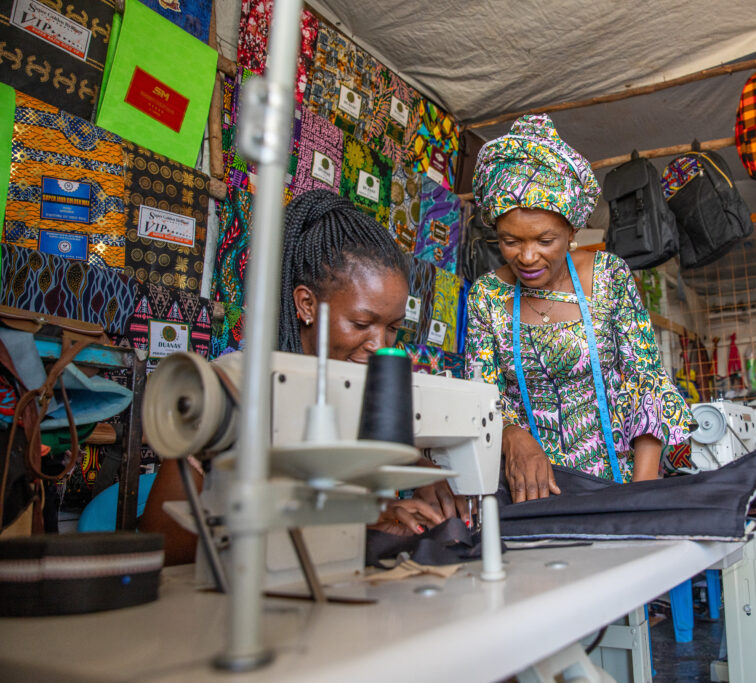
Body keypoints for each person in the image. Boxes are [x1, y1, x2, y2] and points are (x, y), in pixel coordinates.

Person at [141, 191, 464, 561]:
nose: (380, 344)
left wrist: (418, 472)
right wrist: (343, 527)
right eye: (361, 323)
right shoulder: (238, 389)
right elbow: (164, 545)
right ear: (306, 304)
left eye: (393, 328)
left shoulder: (365, 396)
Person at [465, 114, 692, 504]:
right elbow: (481, 397)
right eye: (510, 241)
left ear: (572, 232)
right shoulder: (486, 296)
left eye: (545, 239)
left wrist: (641, 496)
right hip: (533, 493)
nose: (528, 256)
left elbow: (646, 380)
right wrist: (512, 434)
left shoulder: (608, 277)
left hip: (622, 482)